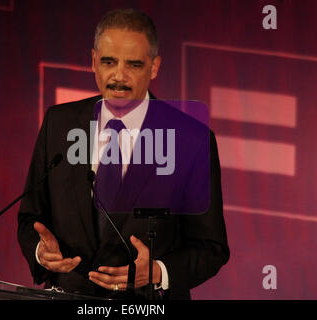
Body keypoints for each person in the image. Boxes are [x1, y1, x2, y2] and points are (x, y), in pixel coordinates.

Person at [17, 8, 229, 300]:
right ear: (93, 62)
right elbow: (31, 217)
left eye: (133, 65)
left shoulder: (192, 140)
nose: (119, 76)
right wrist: (42, 252)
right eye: (108, 62)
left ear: (154, 67)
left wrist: (158, 271)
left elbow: (211, 248)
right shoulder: (59, 123)